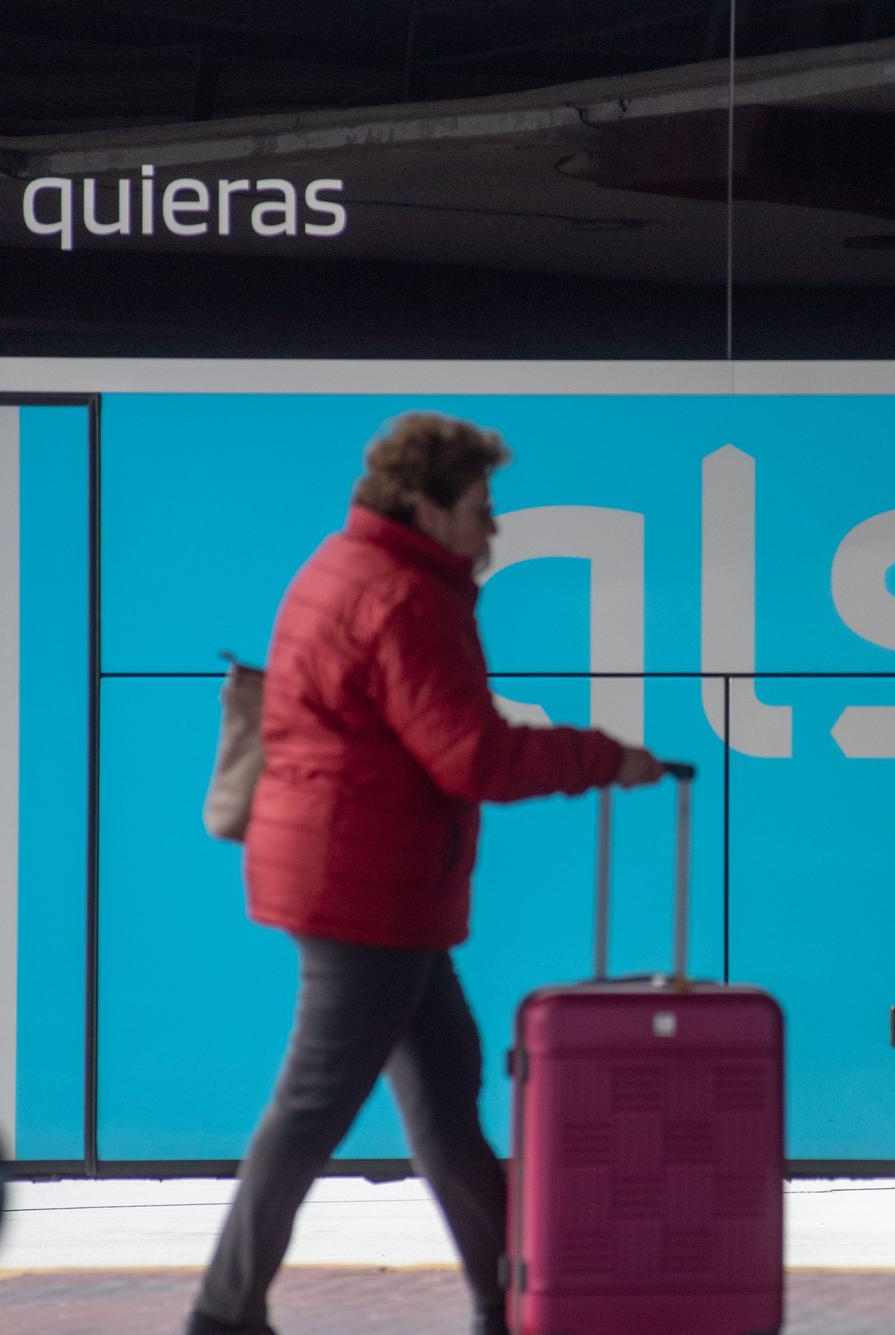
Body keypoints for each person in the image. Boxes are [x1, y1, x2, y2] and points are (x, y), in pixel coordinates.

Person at [186, 412, 663, 1335]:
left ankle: (509, 1296)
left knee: (446, 1090)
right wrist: (604, 757)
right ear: (427, 506)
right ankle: (221, 1312)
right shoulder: (402, 597)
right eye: (482, 507)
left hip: (371, 880)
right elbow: (471, 756)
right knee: (313, 1108)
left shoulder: (348, 564)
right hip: (366, 889)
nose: (493, 529)